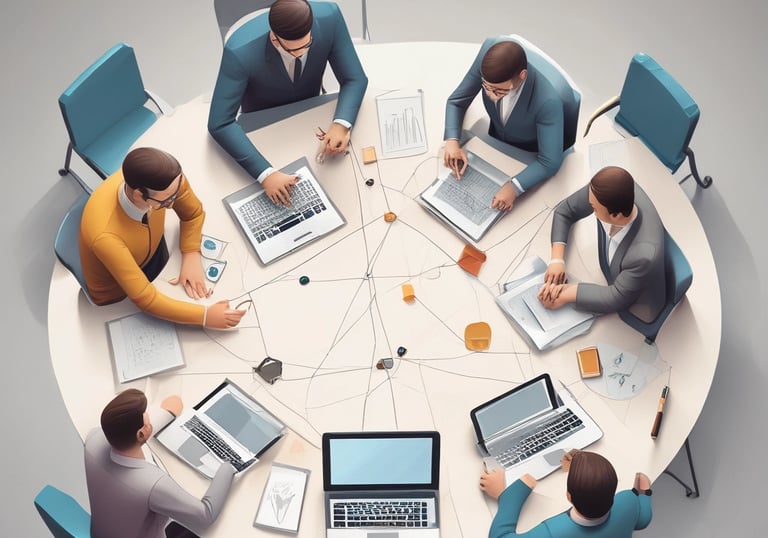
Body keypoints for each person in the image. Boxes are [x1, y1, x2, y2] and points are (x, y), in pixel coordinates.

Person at [208, 0, 368, 206]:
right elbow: (219, 123)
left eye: (307, 45)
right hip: (263, 123)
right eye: (294, 51)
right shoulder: (239, 52)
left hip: (309, 111)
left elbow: (355, 79)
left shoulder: (330, 17)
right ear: (274, 39)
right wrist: (265, 174)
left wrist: (342, 123)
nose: (302, 53)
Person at [79, 147, 246, 328]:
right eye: (166, 201)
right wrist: (205, 316)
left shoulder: (167, 181)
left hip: (154, 254)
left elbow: (193, 213)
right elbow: (146, 300)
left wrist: (191, 252)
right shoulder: (105, 236)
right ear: (139, 194)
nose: (173, 203)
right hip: (119, 295)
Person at [84, 389, 236, 538]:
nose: (150, 418)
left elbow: (122, 433)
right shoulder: (153, 484)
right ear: (141, 433)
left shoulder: (93, 439)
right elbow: (205, 516)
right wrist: (229, 465)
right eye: (147, 418)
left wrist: (167, 414)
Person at [443, 38, 566, 212]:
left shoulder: (548, 101)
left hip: (527, 156)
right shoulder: (487, 62)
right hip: (494, 141)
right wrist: (452, 140)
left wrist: (514, 188)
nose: (490, 95)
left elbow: (550, 162)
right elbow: (457, 101)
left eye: (498, 91)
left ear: (522, 76)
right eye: (485, 86)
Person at [537, 166, 666, 322]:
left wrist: (565, 294)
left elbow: (617, 298)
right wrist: (557, 259)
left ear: (616, 215)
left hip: (636, 304)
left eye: (593, 208)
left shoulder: (643, 256)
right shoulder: (613, 189)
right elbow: (566, 210)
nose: (590, 207)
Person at [480, 450, 652, 537]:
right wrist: (644, 490)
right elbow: (643, 519)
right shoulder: (628, 501)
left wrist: (507, 494)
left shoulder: (552, 533)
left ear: (569, 496)